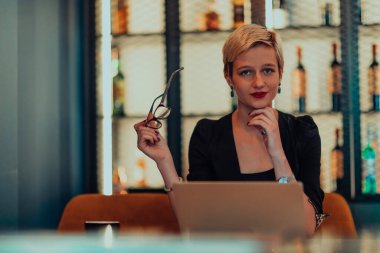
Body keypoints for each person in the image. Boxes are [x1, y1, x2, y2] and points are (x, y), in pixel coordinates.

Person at [134, 24, 327, 236]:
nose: (259, 82)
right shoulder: (207, 135)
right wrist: (164, 161)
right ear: (229, 77)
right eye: (246, 72)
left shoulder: (303, 132)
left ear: (280, 73)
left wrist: (277, 151)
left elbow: (307, 228)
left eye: (268, 70)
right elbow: (196, 224)